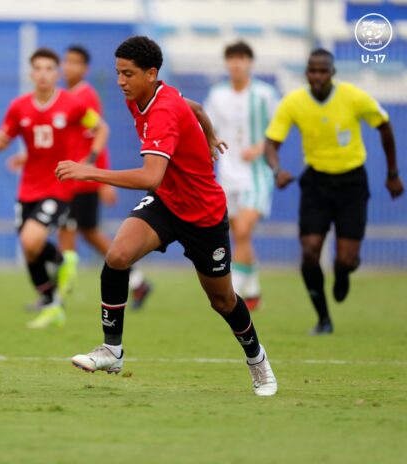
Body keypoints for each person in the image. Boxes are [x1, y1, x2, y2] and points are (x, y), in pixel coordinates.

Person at [56, 36, 277, 396]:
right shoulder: (144, 96)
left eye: (127, 74)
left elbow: (149, 176)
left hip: (203, 214)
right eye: (117, 73)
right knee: (117, 256)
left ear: (151, 73)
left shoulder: (161, 110)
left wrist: (89, 172)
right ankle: (112, 350)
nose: (120, 81)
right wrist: (208, 134)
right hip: (166, 203)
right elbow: (196, 107)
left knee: (222, 300)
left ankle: (258, 360)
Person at [264, 49, 403, 335]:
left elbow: (385, 126)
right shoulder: (293, 102)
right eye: (312, 70)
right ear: (305, 73)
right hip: (316, 182)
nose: (317, 76)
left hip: (352, 182)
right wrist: (277, 171)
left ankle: (344, 270)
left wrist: (392, 174)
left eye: (322, 71)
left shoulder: (353, 97)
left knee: (346, 259)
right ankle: (323, 319)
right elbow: (271, 143)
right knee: (310, 251)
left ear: (332, 73)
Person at [0, 48, 109, 329]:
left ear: (57, 73)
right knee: (29, 249)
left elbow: (101, 128)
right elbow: (5, 136)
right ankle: (52, 300)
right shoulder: (19, 107)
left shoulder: (72, 105)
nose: (43, 74)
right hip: (27, 187)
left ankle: (62, 265)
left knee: (31, 241)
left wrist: (89, 159)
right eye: (38, 68)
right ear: (31, 73)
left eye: (49, 68)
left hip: (58, 186)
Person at [58, 44, 152, 309]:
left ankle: (60, 294)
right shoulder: (69, 95)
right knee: (87, 232)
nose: (68, 67)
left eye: (75, 62)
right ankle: (137, 280)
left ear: (85, 69)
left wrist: (99, 179)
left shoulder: (83, 97)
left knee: (68, 231)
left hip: (80, 179)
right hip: (75, 177)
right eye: (66, 61)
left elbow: (100, 135)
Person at [204, 41, 279, 311]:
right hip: (227, 174)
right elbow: (207, 127)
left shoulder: (265, 94)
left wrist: (260, 147)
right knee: (238, 234)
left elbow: (278, 128)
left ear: (250, 63)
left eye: (242, 58)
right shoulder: (217, 94)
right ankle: (254, 287)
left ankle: (234, 286)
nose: (236, 64)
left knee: (244, 230)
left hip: (256, 174)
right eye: (232, 59)